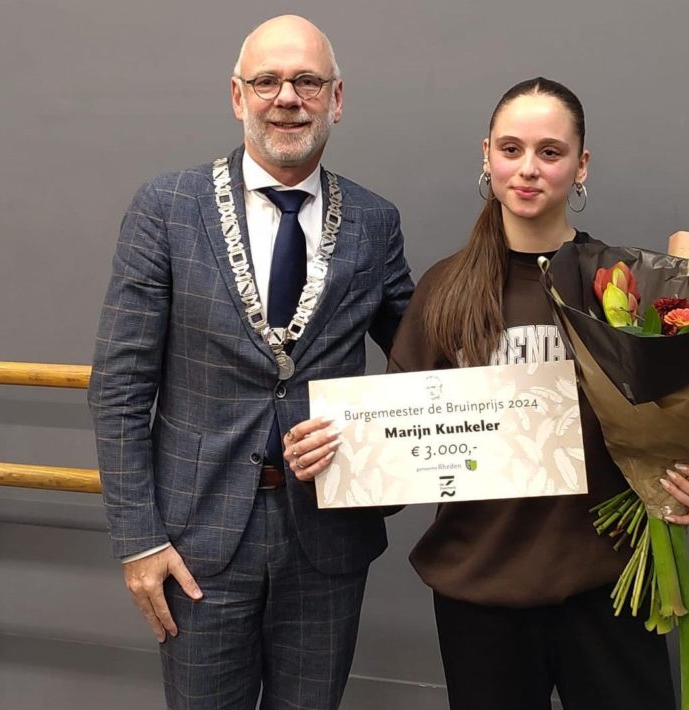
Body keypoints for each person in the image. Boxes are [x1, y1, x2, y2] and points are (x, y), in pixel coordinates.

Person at [286, 77, 689, 710]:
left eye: (550, 152)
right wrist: (337, 458)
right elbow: (398, 456)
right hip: (481, 596)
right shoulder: (444, 292)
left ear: (581, 165)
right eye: (511, 149)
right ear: (487, 156)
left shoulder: (627, 286)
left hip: (612, 587)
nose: (527, 169)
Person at [86, 15, 414, 710]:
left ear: (337, 97)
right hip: (196, 542)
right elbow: (119, 385)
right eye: (267, 81)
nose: (287, 97)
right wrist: (139, 540)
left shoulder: (374, 222)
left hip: (328, 540)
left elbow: (425, 358)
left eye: (307, 81)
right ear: (238, 97)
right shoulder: (167, 209)